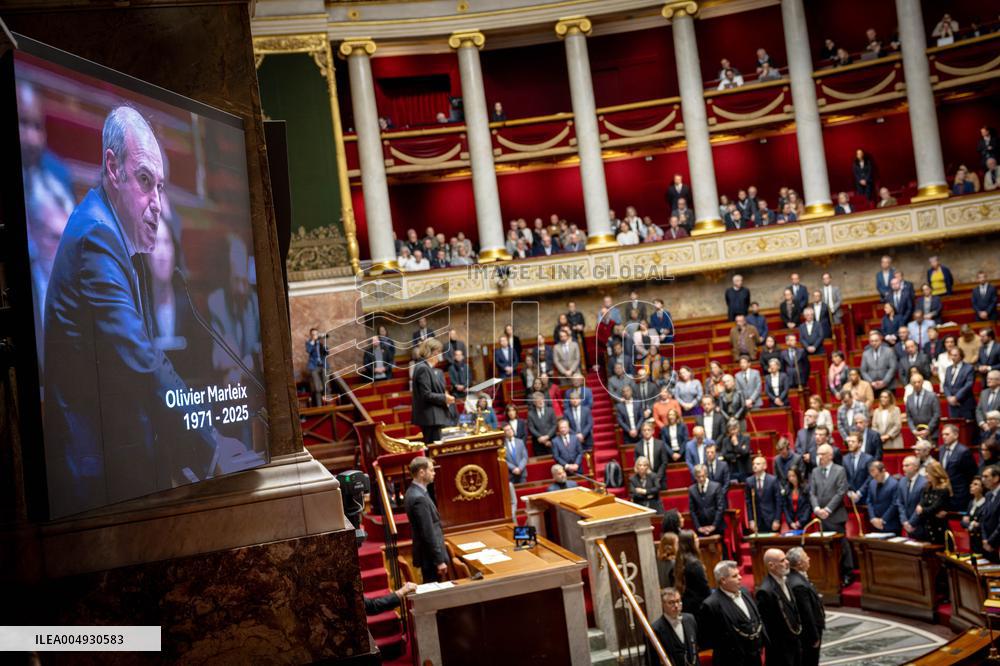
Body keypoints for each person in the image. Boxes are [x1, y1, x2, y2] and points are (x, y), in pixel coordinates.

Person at [42, 107, 258, 516]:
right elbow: (140, 361)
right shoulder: (97, 239)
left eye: (161, 187)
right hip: (98, 484)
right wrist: (209, 445)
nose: (157, 203)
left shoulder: (110, 234)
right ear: (113, 167)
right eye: (145, 181)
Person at [699, 560, 765, 664]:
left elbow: (756, 619)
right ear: (723, 580)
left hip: (754, 656)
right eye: (735, 576)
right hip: (731, 660)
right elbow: (708, 638)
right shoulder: (711, 605)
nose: (740, 577)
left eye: (739, 574)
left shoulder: (745, 591)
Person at [808, 444, 852, 586]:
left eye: (822, 454)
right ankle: (830, 575)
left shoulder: (840, 470)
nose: (819, 457)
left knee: (841, 546)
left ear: (830, 455)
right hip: (820, 517)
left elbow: (841, 492)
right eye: (818, 454)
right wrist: (816, 508)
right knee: (826, 548)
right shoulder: (815, 471)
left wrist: (827, 509)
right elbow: (812, 492)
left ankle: (847, 573)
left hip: (835, 515)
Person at [404, 456, 449, 582]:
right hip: (430, 559)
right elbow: (428, 532)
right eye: (431, 470)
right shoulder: (419, 498)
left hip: (428, 556)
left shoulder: (413, 492)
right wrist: (439, 561)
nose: (434, 473)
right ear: (421, 472)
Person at [756, 548, 803, 666]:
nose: (787, 562)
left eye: (786, 559)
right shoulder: (765, 592)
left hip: (794, 641)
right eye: (782, 560)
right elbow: (768, 627)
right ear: (771, 566)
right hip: (781, 650)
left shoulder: (784, 579)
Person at [786, 548, 825, 666]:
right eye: (806, 557)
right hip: (809, 634)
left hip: (808, 632)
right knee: (810, 660)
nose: (809, 559)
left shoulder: (796, 577)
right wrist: (814, 636)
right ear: (799, 563)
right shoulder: (798, 585)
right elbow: (806, 613)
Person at [647, 587, 699, 666]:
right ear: (663, 604)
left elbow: (695, 649)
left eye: (678, 601)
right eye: (671, 602)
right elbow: (652, 661)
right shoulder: (655, 629)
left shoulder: (690, 619)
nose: (676, 605)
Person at [675, 530, 712, 615]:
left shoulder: (680, 559)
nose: (698, 540)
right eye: (695, 538)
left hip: (686, 602)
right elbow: (705, 589)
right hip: (699, 605)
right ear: (690, 543)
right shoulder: (695, 564)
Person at [918, 460, 952, 545]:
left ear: (935, 473)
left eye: (928, 473)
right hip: (927, 528)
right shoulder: (926, 488)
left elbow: (932, 509)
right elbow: (920, 508)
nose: (926, 475)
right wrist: (925, 511)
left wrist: (923, 510)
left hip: (939, 530)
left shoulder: (943, 490)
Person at [747, 455, 782, 533]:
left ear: (765, 466)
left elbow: (778, 501)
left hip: (771, 519)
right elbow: (749, 503)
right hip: (758, 520)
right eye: (753, 464)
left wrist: (777, 519)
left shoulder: (773, 480)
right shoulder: (749, 481)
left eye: (758, 464)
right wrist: (751, 520)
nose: (755, 466)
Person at [897, 455, 928, 540]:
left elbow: (921, 505)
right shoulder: (902, 481)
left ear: (916, 467)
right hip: (907, 525)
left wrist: (911, 523)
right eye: (903, 465)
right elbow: (900, 503)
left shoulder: (924, 483)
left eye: (907, 465)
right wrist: (904, 521)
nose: (903, 468)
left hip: (921, 526)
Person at [943, 347, 976, 420]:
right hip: (952, 405)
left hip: (965, 403)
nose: (953, 357)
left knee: (967, 429)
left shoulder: (969, 368)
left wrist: (956, 397)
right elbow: (945, 385)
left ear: (961, 356)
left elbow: (969, 384)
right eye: (951, 355)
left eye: (955, 355)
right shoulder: (948, 369)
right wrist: (948, 397)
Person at [636, 421, 669, 489]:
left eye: (648, 430)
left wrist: (657, 477)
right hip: (644, 479)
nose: (646, 432)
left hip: (660, 479)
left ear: (653, 431)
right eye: (644, 430)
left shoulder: (660, 444)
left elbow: (664, 462)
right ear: (642, 432)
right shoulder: (638, 446)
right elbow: (637, 463)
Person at [964, 475, 988, 553]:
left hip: (981, 540)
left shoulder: (986, 503)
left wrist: (970, 523)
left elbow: (982, 524)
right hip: (971, 540)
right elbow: (963, 522)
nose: (971, 486)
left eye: (975, 484)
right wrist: (972, 524)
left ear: (982, 488)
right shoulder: (971, 502)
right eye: (971, 483)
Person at [306, 328, 327, 406]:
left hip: (323, 366)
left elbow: (327, 352)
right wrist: (312, 341)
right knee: (317, 388)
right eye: (313, 334)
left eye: (316, 334)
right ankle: (319, 406)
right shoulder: (309, 343)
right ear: (311, 335)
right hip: (314, 367)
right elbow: (308, 350)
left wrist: (324, 342)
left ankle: (328, 405)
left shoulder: (321, 342)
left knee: (326, 386)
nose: (315, 336)